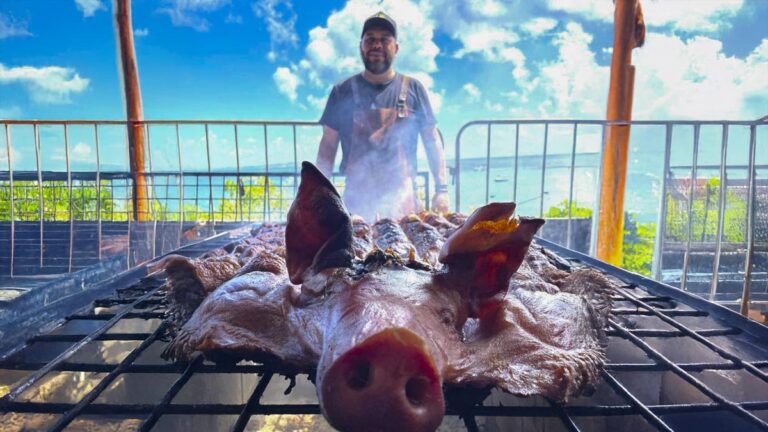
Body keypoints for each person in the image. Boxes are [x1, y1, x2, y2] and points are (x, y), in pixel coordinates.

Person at [316, 11, 450, 222]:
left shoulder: (414, 88)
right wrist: (317, 194)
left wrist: (441, 189)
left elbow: (432, 140)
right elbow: (327, 147)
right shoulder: (342, 90)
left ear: (396, 47)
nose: (376, 45)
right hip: (356, 202)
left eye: (384, 39)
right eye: (370, 39)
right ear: (361, 46)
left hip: (403, 203)